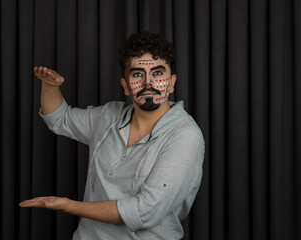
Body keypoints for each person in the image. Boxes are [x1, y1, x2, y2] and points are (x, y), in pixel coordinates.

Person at [19, 31, 205, 239]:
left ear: (171, 82)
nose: (147, 83)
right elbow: (60, 119)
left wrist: (69, 206)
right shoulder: (108, 116)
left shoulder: (186, 136)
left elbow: (145, 212)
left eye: (158, 73)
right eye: (137, 74)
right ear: (125, 86)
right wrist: (50, 85)